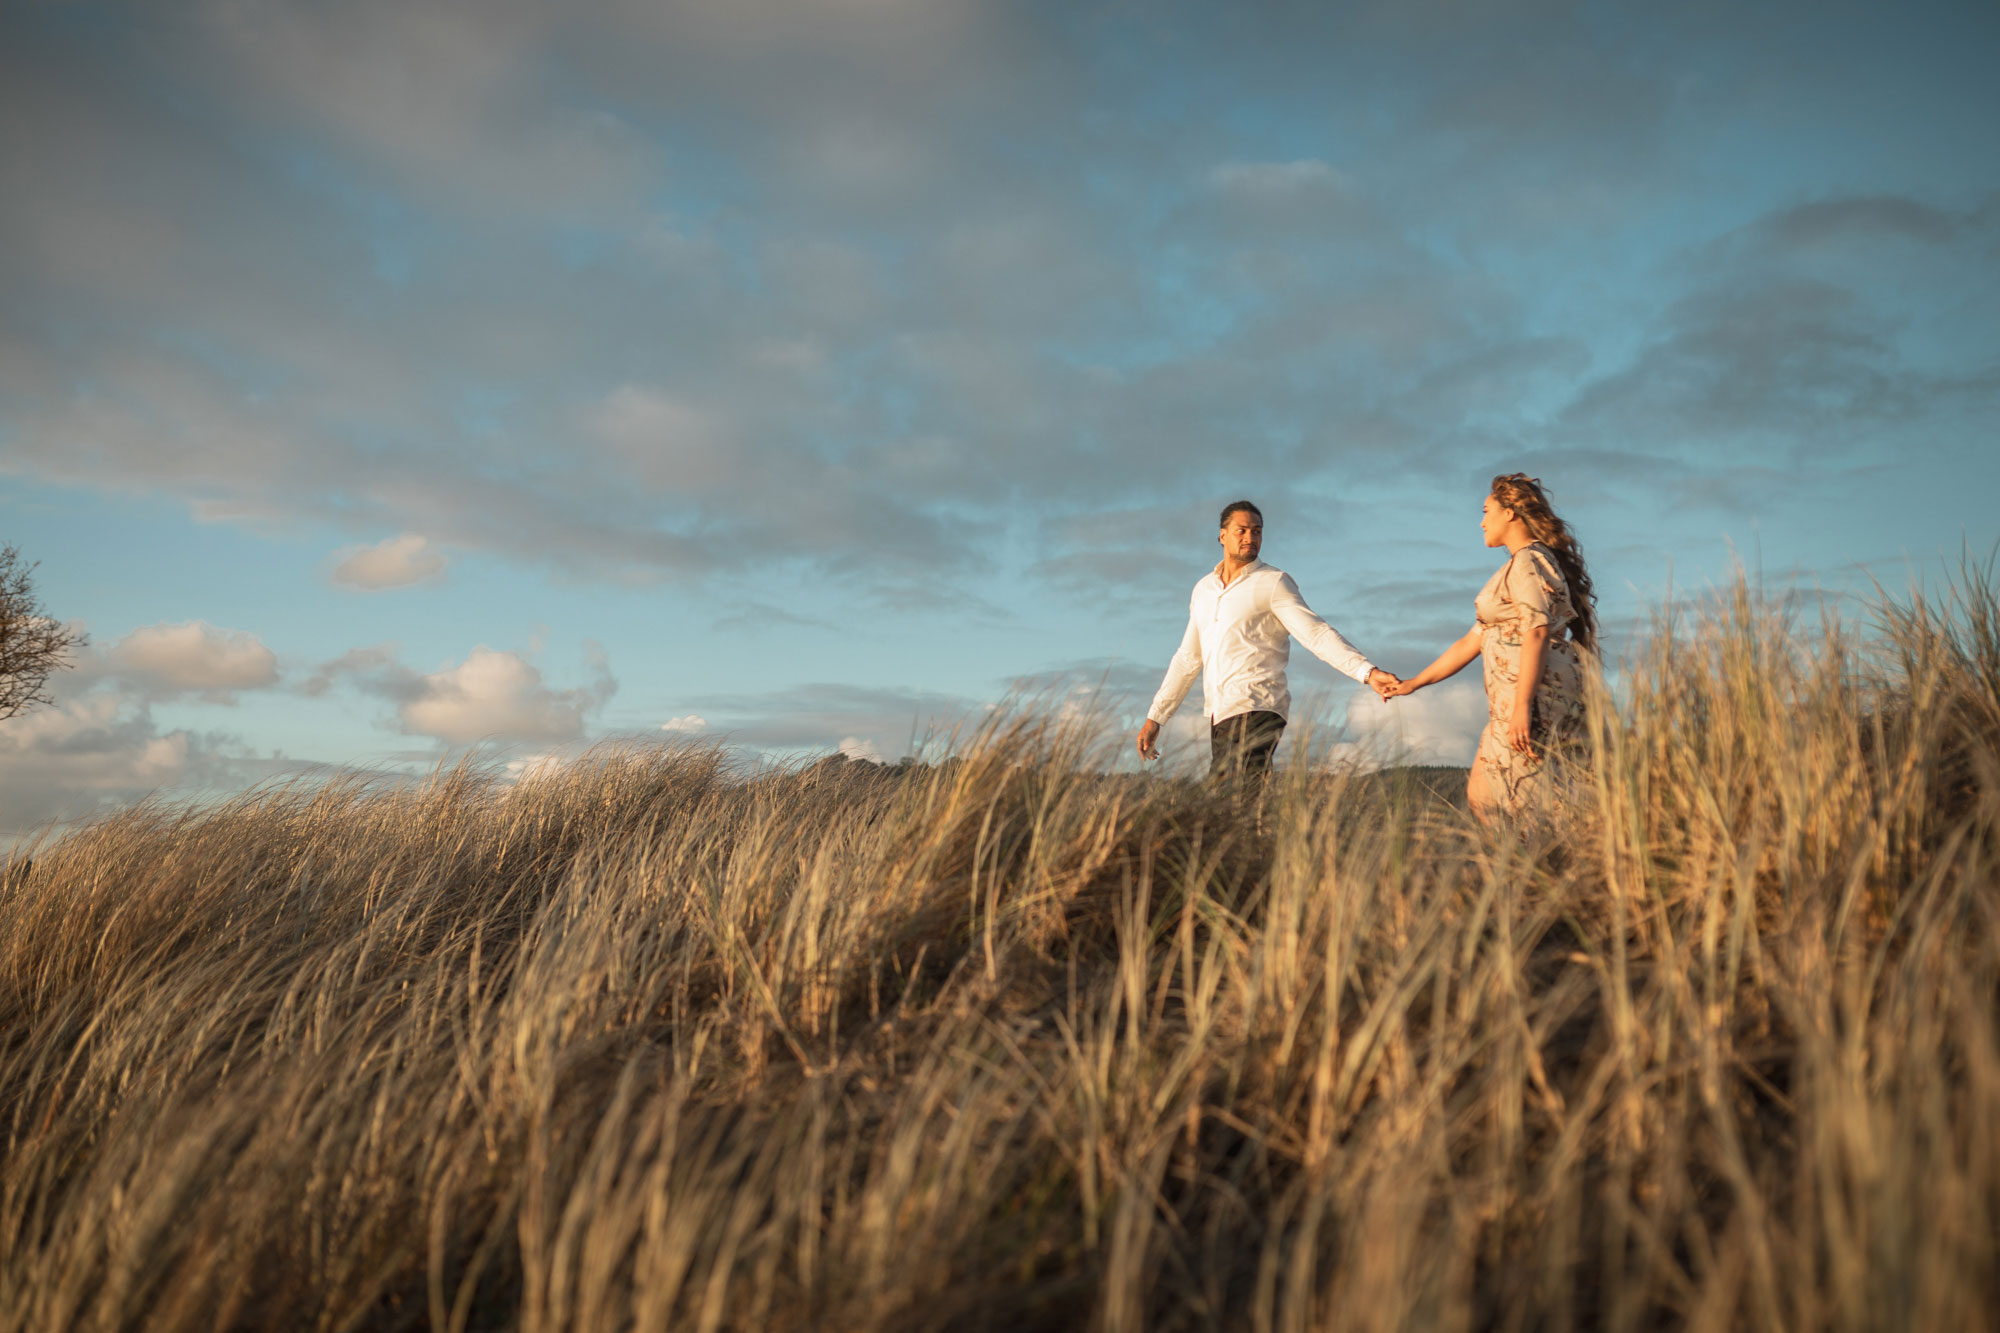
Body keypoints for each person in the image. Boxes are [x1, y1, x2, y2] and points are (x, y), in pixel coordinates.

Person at [1380, 474, 1597, 821]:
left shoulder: (1529, 561)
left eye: (1486, 511)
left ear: (1510, 513)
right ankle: (1530, 864)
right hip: (1513, 699)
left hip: (1533, 696)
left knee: (1521, 797)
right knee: (1491, 795)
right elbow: (1472, 641)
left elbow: (1537, 631)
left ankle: (1535, 866)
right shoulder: (1516, 566)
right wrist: (1413, 683)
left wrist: (1523, 708)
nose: (1481, 522)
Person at [1137, 500, 1398, 779]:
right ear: (1222, 536)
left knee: (1230, 795)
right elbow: (1188, 658)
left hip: (1258, 704)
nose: (1250, 538)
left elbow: (1315, 633)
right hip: (1220, 712)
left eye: (1257, 531)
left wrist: (1366, 672)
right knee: (1233, 801)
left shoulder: (1273, 582)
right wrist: (1156, 717)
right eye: (1242, 531)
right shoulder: (1203, 590)